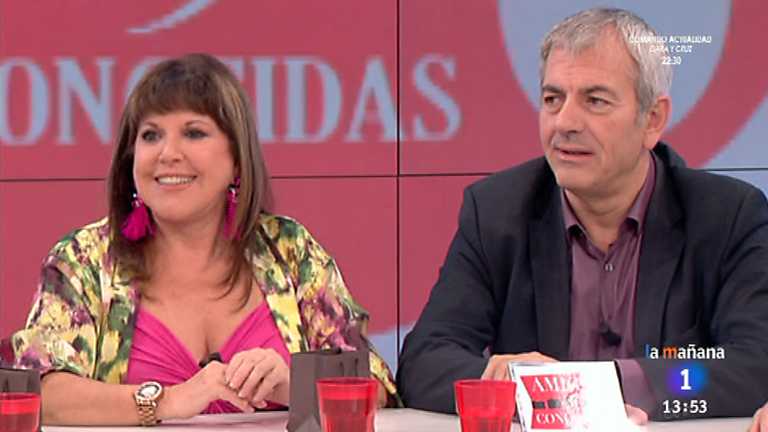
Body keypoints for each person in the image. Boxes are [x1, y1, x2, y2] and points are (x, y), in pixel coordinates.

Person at [397, 7, 768, 421]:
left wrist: (604, 388)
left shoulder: (727, 217)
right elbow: (423, 361)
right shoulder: (497, 213)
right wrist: (501, 381)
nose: (565, 122)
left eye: (595, 101)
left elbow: (755, 365)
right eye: (552, 99)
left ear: (652, 119)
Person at [10, 53, 397, 426]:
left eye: (193, 133)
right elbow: (42, 392)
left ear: (237, 159)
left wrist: (292, 386)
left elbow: (375, 385)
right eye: (151, 135)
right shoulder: (83, 259)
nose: (168, 154)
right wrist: (167, 400)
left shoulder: (290, 249)